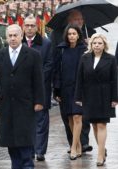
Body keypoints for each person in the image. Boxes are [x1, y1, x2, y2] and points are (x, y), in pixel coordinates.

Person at [0, 24, 44, 169]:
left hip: (26, 104)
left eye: (16, 35)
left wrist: (39, 101)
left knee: (25, 142)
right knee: (11, 143)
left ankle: (27, 165)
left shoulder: (33, 55)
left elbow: (38, 80)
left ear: (21, 36)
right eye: (10, 36)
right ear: (6, 37)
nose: (13, 38)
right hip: (7, 105)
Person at [50, 9, 95, 153]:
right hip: (66, 84)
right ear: (69, 22)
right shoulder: (57, 35)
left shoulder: (90, 33)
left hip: (83, 85)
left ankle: (82, 143)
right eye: (76, 19)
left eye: (81, 19)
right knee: (68, 116)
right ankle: (73, 143)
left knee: (81, 116)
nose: (80, 21)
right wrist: (55, 87)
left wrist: (92, 47)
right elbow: (54, 61)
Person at [75, 33, 117, 166]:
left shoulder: (110, 59)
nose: (97, 45)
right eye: (94, 43)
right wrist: (78, 96)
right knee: (94, 124)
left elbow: (114, 80)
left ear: (104, 45)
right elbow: (79, 79)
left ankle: (100, 155)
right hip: (89, 95)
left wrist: (115, 98)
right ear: (91, 44)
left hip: (105, 95)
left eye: (99, 43)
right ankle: (102, 149)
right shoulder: (85, 58)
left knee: (101, 124)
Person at [53, 24, 87, 160]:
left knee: (78, 116)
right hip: (65, 88)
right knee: (70, 119)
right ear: (66, 36)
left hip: (80, 88)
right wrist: (56, 90)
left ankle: (73, 147)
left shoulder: (84, 50)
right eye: (69, 34)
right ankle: (77, 144)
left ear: (78, 35)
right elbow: (57, 70)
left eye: (74, 33)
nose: (72, 36)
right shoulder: (61, 49)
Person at [22, 15, 53, 161]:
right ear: (23, 27)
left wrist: (36, 78)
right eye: (27, 25)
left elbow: (49, 65)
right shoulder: (18, 42)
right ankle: (29, 148)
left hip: (41, 88)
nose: (29, 28)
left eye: (32, 25)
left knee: (41, 120)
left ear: (37, 26)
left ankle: (40, 150)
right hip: (23, 90)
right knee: (26, 120)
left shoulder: (45, 43)